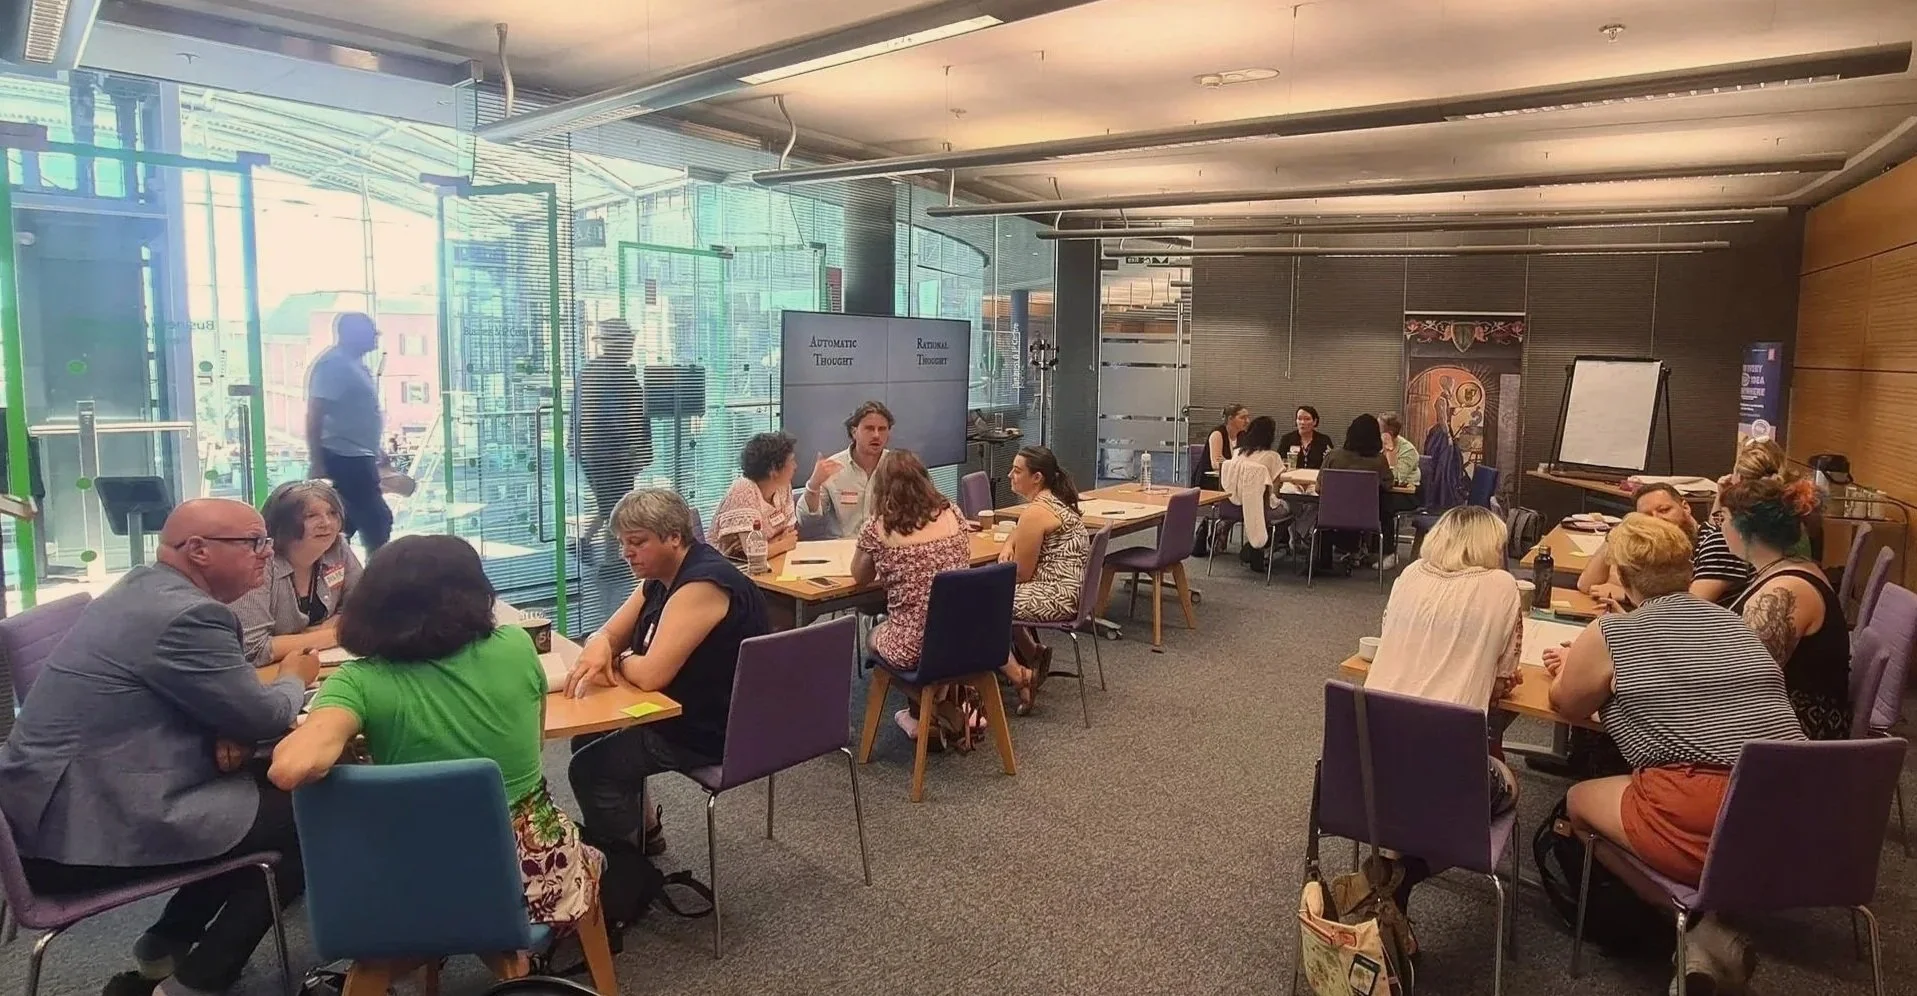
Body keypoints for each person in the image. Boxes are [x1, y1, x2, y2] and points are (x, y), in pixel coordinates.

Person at [0, 499, 316, 996]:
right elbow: (267, 714)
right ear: (198, 550)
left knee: (266, 795)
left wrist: (228, 724)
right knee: (309, 811)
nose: (266, 553)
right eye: (254, 543)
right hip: (73, 835)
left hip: (55, 805)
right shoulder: (188, 615)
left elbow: (204, 702)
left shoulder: (141, 587)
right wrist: (295, 679)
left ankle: (164, 946)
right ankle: (195, 983)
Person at [268, 535, 601, 926]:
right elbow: (537, 742)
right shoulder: (515, 645)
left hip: (410, 883)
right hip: (538, 875)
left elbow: (289, 768)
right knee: (595, 855)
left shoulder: (358, 681)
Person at [1547, 513, 1805, 993]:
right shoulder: (1735, 624)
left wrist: (1575, 663)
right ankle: (1706, 925)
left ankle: (1694, 923)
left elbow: (1565, 702)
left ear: (1620, 577)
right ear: (1688, 568)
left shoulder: (1615, 635)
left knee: (1578, 803)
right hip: (1791, 810)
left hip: (1701, 806)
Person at [565, 489, 769, 854]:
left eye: (637, 542)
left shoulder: (703, 584)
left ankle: (625, 867)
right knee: (588, 738)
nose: (627, 552)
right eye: (623, 542)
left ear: (674, 537)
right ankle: (646, 835)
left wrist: (618, 657)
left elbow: (650, 676)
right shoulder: (662, 575)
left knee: (589, 769)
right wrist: (601, 642)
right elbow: (610, 632)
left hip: (713, 729)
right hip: (685, 709)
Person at [1366, 505, 1522, 910]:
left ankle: (1393, 868)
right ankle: (1408, 874)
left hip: (1368, 766)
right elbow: (1502, 684)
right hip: (1449, 774)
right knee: (1509, 785)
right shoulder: (1503, 586)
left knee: (1420, 770)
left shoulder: (1409, 575)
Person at [851, 450, 983, 741]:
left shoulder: (878, 527)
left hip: (916, 645)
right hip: (964, 639)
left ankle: (932, 709)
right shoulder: (954, 514)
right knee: (924, 636)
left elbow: (859, 578)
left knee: (872, 639)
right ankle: (931, 712)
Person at [1721, 474, 1851, 740]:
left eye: (1721, 518)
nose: (1719, 527)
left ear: (1742, 527)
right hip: (1779, 719)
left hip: (1795, 736)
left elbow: (1742, 682)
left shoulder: (1786, 591)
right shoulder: (1789, 565)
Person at [230, 480, 362, 669]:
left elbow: (362, 610)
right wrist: (335, 635)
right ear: (284, 523)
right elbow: (253, 649)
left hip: (321, 666)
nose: (326, 523)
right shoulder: (260, 562)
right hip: (266, 676)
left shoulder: (337, 548)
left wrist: (303, 639)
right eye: (311, 516)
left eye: (332, 513)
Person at [997, 446, 1089, 715]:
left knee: (981, 607)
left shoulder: (1036, 512)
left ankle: (1020, 676)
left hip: (1054, 595)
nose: (1010, 475)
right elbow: (1020, 529)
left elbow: (1022, 575)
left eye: (1017, 470)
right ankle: (1034, 651)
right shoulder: (1052, 501)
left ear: (1036, 477)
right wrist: (1008, 544)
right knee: (992, 598)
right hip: (1070, 592)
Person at [1575, 484, 1744, 609]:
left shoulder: (1716, 542)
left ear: (1685, 507)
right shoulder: (1656, 546)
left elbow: (1684, 609)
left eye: (1664, 510)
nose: (1656, 520)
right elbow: (1586, 584)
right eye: (1646, 516)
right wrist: (1616, 535)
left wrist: (1626, 595)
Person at [305, 311, 391, 554]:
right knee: (374, 522)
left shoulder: (354, 365)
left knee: (352, 524)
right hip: (343, 459)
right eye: (371, 332)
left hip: (358, 456)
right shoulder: (334, 365)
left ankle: (353, 581)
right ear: (353, 334)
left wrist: (376, 449)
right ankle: (374, 584)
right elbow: (315, 413)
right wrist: (317, 461)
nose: (376, 337)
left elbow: (355, 413)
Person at [574, 318, 652, 562]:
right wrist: (634, 454)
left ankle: (587, 544)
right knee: (616, 508)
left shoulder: (589, 371)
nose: (630, 346)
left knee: (608, 504)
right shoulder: (620, 377)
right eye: (627, 341)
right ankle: (611, 560)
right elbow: (626, 421)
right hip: (611, 455)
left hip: (593, 453)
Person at [800, 400, 893, 539]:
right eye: (869, 428)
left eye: (882, 429)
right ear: (854, 432)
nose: (876, 435)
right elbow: (807, 521)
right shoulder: (833, 467)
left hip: (885, 548)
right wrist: (814, 484)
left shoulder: (897, 467)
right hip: (842, 548)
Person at [710, 431, 800, 560]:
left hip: (771, 560)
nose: (795, 466)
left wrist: (774, 545)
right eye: (791, 461)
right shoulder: (743, 490)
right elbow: (754, 554)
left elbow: (790, 534)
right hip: (729, 566)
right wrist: (783, 544)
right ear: (773, 469)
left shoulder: (783, 486)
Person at [1322, 414, 1395, 570]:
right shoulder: (1379, 461)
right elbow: (1388, 485)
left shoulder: (1333, 456)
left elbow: (1319, 487)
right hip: (1367, 517)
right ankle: (1386, 552)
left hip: (1333, 516)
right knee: (1387, 508)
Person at [1189, 404, 1251, 557]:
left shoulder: (1243, 436)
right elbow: (1216, 463)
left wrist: (1229, 463)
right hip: (1209, 482)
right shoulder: (1217, 434)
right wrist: (1232, 464)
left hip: (1230, 480)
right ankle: (1223, 525)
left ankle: (1224, 525)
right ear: (1230, 419)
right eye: (1242, 417)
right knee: (1238, 497)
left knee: (1248, 496)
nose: (1247, 421)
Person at [1229, 415, 1289, 571]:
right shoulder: (1272, 457)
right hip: (1262, 509)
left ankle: (1258, 544)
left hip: (1234, 506)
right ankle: (1264, 546)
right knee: (1292, 509)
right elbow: (1275, 491)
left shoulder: (1237, 453)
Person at [1277, 405, 1334, 470]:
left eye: (1307, 419)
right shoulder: (1287, 439)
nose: (1302, 422)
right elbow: (1280, 462)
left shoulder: (1324, 440)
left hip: (1315, 477)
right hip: (1292, 477)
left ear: (1315, 421)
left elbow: (1330, 464)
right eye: (1299, 419)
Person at [1379, 413, 1422, 492]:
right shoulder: (1377, 445)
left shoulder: (1408, 451)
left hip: (1404, 493)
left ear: (1389, 434)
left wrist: (1390, 451)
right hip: (1384, 489)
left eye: (1379, 429)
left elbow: (1396, 479)